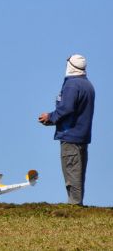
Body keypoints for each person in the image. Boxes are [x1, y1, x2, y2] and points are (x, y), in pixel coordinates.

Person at [38, 54, 95, 206]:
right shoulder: (88, 85)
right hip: (83, 135)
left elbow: (67, 108)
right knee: (79, 171)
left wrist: (50, 117)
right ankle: (77, 202)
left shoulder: (72, 85)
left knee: (71, 171)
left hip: (70, 135)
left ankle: (74, 204)